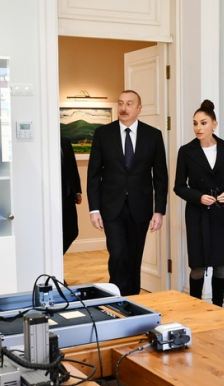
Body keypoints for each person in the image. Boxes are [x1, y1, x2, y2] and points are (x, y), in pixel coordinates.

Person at [87, 90, 168, 296]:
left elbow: (160, 176)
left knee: (134, 256)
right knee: (118, 253)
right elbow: (93, 175)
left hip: (140, 208)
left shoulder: (153, 135)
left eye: (129, 104)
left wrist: (159, 211)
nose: (123, 108)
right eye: (121, 103)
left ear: (139, 108)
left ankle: (132, 299)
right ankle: (116, 298)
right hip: (111, 207)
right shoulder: (103, 134)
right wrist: (94, 209)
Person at [174, 100, 224, 306]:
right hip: (197, 214)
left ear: (214, 124)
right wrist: (198, 197)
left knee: (221, 265)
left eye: (203, 123)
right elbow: (179, 186)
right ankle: (195, 308)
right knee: (197, 266)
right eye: (195, 123)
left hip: (221, 213)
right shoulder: (186, 151)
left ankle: (218, 308)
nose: (198, 128)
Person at [61, 136, 82, 254]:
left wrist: (77, 191)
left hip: (68, 195)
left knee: (72, 231)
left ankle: (56, 257)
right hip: (49, 198)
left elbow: (72, 166)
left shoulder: (64, 141)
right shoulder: (42, 141)